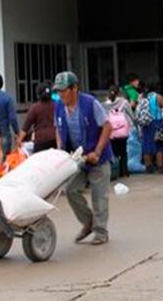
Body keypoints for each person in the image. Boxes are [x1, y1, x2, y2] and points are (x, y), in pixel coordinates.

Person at [53, 71, 113, 245]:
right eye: (58, 91)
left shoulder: (90, 103)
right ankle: (88, 222)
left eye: (63, 91)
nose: (61, 94)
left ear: (74, 88)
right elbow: (58, 128)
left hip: (97, 157)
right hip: (77, 157)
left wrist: (98, 151)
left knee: (99, 195)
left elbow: (107, 127)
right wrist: (59, 151)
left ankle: (101, 232)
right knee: (70, 190)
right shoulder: (58, 106)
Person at [15, 83, 56, 153]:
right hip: (55, 139)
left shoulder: (35, 108)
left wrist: (19, 140)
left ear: (38, 94)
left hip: (40, 141)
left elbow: (26, 127)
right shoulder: (56, 106)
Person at [140, 83, 163, 174]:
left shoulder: (143, 97)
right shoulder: (158, 97)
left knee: (146, 144)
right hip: (156, 123)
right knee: (159, 145)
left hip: (146, 124)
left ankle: (148, 167)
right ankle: (160, 167)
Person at [105, 85, 131, 179]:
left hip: (112, 131)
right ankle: (125, 171)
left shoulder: (106, 104)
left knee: (114, 152)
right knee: (123, 152)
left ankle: (115, 171)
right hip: (123, 131)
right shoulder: (124, 102)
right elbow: (130, 115)